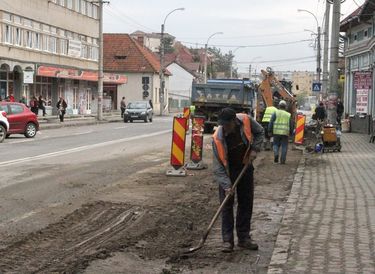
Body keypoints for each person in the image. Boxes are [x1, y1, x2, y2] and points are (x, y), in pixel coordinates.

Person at [212, 107, 264, 253]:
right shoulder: (217, 138)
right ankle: (227, 241)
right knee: (226, 205)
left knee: (246, 203)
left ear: (234, 121)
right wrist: (227, 186)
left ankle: (244, 238)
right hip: (227, 172)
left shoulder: (246, 120)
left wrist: (254, 149)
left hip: (245, 168)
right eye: (223, 125)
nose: (225, 128)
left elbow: (260, 132)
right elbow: (218, 168)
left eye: (227, 125)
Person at [268, 100, 294, 164]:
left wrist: (269, 131)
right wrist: (291, 132)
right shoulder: (288, 115)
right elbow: (291, 124)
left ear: (279, 106)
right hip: (285, 133)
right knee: (284, 146)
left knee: (275, 144)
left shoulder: (275, 113)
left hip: (276, 132)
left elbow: (271, 122)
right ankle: (282, 161)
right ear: (285, 107)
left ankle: (276, 154)